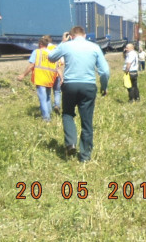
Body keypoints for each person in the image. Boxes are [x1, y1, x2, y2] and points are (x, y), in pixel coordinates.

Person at [48, 26, 110, 163]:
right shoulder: (94, 47)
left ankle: (71, 143)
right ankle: (85, 156)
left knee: (68, 114)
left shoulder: (66, 46)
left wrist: (63, 42)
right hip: (88, 86)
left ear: (71, 35)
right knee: (87, 121)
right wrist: (104, 87)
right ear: (85, 35)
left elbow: (51, 57)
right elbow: (105, 71)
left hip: (70, 85)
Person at [17, 37, 58, 122]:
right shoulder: (51, 53)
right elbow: (58, 67)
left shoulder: (37, 52)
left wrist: (23, 75)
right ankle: (49, 114)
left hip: (40, 78)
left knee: (42, 98)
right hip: (50, 78)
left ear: (40, 44)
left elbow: (31, 65)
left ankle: (46, 118)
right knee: (48, 97)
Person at [44, 35, 64, 115]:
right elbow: (62, 62)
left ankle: (49, 112)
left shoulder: (43, 49)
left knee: (47, 94)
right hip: (55, 73)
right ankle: (57, 105)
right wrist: (62, 77)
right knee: (57, 91)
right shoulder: (55, 48)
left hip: (46, 74)